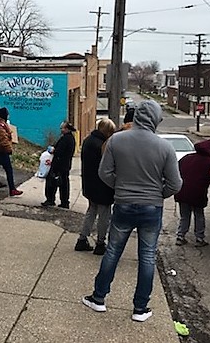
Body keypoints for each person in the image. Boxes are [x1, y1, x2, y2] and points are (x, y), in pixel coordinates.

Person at [82, 100, 182, 322]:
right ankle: (140, 308)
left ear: (136, 116)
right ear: (155, 119)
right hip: (151, 208)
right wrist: (157, 194)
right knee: (147, 257)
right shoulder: (165, 147)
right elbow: (175, 184)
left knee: (113, 251)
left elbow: (104, 172)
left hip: (124, 204)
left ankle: (98, 299)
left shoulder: (117, 140)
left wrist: (120, 187)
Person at [175, 139, 210, 247]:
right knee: (199, 215)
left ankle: (180, 236)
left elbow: (175, 169)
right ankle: (199, 239)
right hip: (197, 193)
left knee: (184, 215)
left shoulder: (187, 158)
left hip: (181, 191)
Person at [75, 118, 116, 255]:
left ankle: (82, 239)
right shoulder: (103, 145)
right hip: (102, 186)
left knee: (91, 211)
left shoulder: (88, 140)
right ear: (107, 131)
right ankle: (100, 242)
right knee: (104, 215)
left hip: (89, 184)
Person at [0, 107, 23, 197]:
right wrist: (9, 149)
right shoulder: (0, 126)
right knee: (9, 170)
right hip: (2, 151)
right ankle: (12, 189)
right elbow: (3, 140)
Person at [41, 121, 76, 209]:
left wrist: (53, 150)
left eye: (62, 128)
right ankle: (64, 201)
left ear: (67, 129)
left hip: (59, 165)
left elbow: (59, 151)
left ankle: (51, 199)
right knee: (63, 183)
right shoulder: (70, 138)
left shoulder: (66, 139)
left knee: (53, 182)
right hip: (65, 164)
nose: (61, 130)